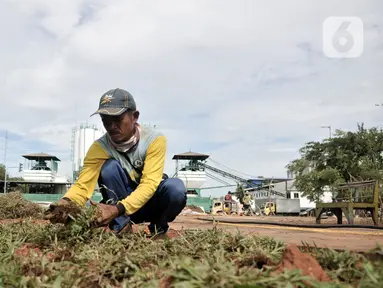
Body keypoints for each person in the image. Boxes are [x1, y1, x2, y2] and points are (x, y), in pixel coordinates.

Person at [44, 88, 187, 235]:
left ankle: (158, 228)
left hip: (146, 204)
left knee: (175, 189)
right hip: (120, 209)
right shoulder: (99, 148)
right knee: (109, 168)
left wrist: (117, 209)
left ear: (135, 116)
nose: (112, 127)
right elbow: (83, 185)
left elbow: (149, 184)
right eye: (106, 121)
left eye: (118, 120)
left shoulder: (154, 140)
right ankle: (122, 228)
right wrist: (66, 203)